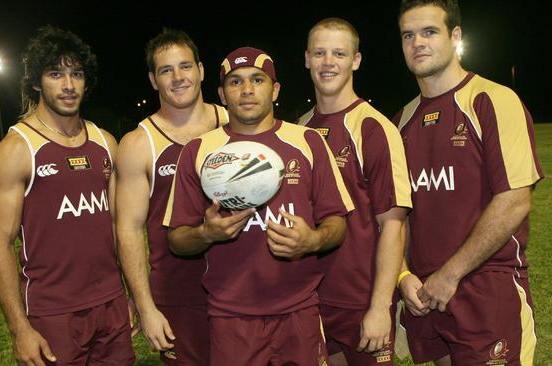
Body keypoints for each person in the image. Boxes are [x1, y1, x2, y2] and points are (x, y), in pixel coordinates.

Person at [163, 47, 354, 366]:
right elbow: (176, 239)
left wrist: (313, 240)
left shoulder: (307, 142)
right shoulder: (199, 151)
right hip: (231, 316)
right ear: (222, 94)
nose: (247, 90)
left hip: (299, 311)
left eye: (257, 79)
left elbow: (337, 222)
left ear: (275, 89)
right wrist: (207, 234)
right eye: (235, 82)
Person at [394, 1, 543, 365]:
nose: (418, 43)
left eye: (430, 32)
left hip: (486, 287)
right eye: (408, 35)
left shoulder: (493, 100)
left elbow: (515, 200)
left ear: (455, 36)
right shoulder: (400, 121)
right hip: (425, 294)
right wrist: (403, 276)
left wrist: (451, 273)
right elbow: (395, 215)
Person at [0, 25, 134, 366]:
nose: (68, 85)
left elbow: (117, 226)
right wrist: (19, 328)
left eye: (76, 74)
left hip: (111, 305)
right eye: (56, 74)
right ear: (37, 82)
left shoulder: (105, 143)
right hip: (52, 314)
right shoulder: (16, 150)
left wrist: (132, 294)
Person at [298, 17, 412, 365]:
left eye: (338, 53)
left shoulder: (373, 127)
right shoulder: (300, 128)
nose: (328, 62)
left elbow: (393, 224)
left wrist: (380, 307)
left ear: (355, 60)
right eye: (319, 52)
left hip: (362, 299)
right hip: (313, 298)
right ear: (306, 59)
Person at [116, 28, 228, 365]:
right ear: (153, 79)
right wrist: (146, 306)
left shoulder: (234, 123)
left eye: (185, 67)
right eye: (166, 70)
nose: (178, 78)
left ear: (201, 70)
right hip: (178, 294)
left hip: (241, 286)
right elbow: (129, 230)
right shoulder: (139, 143)